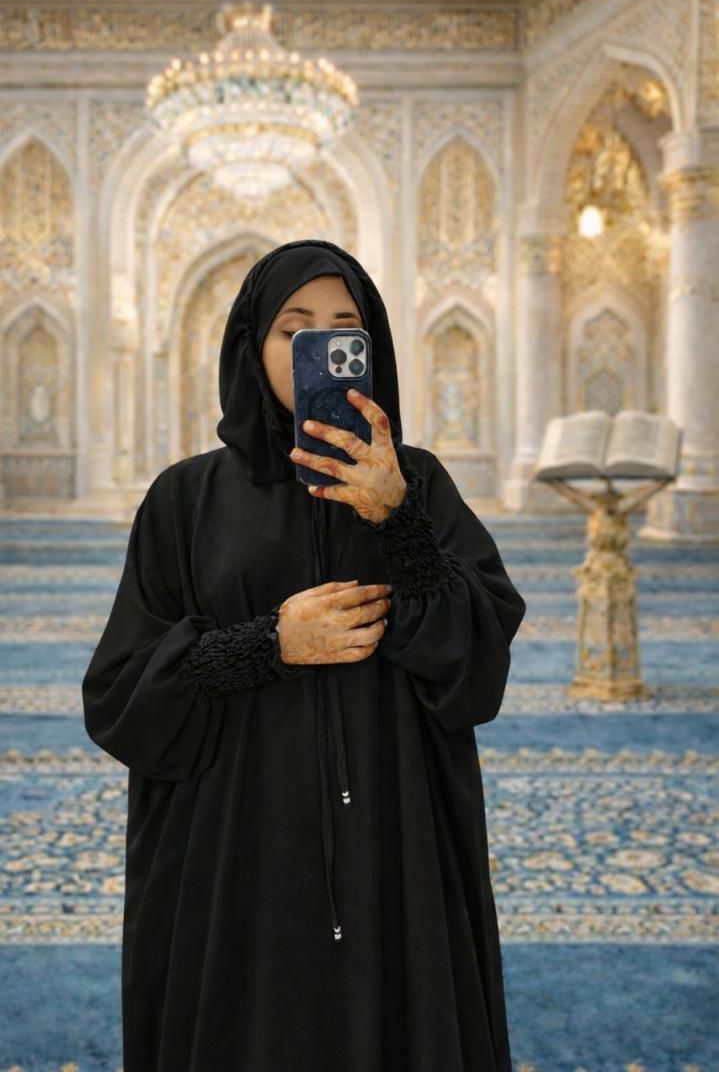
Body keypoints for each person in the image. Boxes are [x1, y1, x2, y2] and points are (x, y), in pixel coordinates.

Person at [81, 239, 527, 1072]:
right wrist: (268, 644)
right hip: (239, 841)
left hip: (395, 831)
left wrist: (396, 518)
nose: (318, 347)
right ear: (253, 347)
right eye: (294, 329)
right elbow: (119, 694)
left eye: (343, 328)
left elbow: (476, 663)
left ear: (371, 348)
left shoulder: (418, 483)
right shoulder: (186, 497)